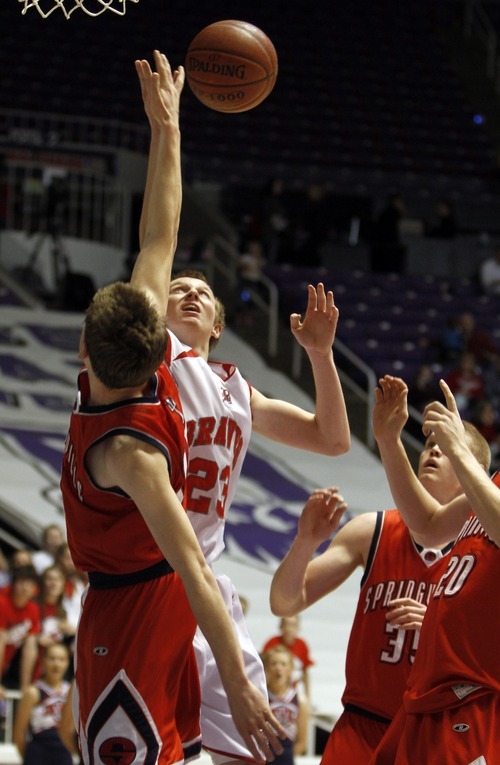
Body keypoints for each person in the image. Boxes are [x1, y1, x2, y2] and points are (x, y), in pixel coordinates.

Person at [60, 51, 284, 765]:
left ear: (84, 358)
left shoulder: (131, 412)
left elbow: (159, 238)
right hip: (140, 608)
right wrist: (166, 127)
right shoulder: (135, 436)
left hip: (147, 606)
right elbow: (190, 563)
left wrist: (169, 127)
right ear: (156, 355)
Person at [158, 270, 349, 764]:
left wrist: (320, 354)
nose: (191, 294)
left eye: (202, 291)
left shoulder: (237, 389)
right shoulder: (149, 364)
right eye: (177, 288)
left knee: (257, 745)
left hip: (205, 583)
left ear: (217, 326)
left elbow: (332, 438)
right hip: (148, 572)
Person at [269, 419, 490, 764]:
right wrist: (306, 542)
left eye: (444, 446)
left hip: (433, 729)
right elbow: (284, 602)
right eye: (429, 442)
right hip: (362, 723)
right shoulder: (372, 530)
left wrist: (437, 624)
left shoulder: (483, 551)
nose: (432, 449)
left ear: (471, 469)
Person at [368, 375, 500, 764]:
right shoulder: (491, 487)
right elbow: (427, 524)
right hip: (426, 696)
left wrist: (459, 450)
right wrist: (389, 441)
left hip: (474, 695)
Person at [13, 642, 73, 765]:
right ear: (43, 661)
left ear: (67, 663)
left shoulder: (71, 691)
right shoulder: (33, 692)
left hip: (64, 753)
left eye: (62, 659)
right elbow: (18, 734)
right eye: (52, 659)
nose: (57, 664)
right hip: (38, 753)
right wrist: (28, 758)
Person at [263, 645, 309, 765]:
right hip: (263, 757)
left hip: (287, 758)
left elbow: (302, 742)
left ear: (290, 669)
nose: (279, 668)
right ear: (267, 668)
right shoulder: (261, 698)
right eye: (274, 663)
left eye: (283, 664)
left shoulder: (300, 700)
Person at [0, 565, 40, 696]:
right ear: (13, 584)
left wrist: (25, 687)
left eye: (29, 583)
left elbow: (30, 647)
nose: (25, 587)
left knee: (31, 644)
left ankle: (24, 686)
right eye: (21, 582)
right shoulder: (2, 603)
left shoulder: (33, 609)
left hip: (8, 665)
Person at [34, 564, 75, 680]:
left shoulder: (64, 609)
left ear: (63, 584)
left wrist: (72, 630)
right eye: (49, 579)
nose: (53, 583)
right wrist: (37, 637)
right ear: (42, 583)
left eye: (57, 579)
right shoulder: (33, 605)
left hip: (54, 659)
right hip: (36, 656)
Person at [262, 616, 314, 701]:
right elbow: (263, 670)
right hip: (271, 692)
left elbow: (305, 673)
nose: (289, 629)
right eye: (286, 625)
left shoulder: (302, 645)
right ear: (280, 626)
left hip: (292, 693)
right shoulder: (272, 643)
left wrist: (308, 697)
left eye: (292, 625)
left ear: (298, 628)